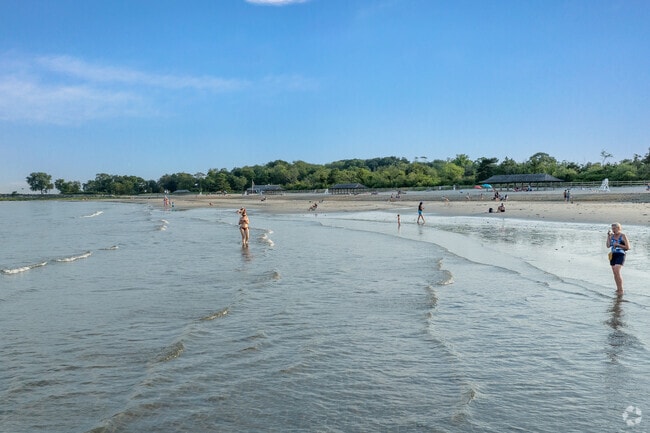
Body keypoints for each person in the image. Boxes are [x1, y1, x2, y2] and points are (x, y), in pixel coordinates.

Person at [606, 222, 630, 294]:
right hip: (613, 254)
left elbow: (628, 247)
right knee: (614, 272)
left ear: (619, 228)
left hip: (620, 254)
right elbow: (608, 246)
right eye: (612, 228)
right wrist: (608, 237)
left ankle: (621, 290)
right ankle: (618, 288)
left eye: (614, 228)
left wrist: (618, 245)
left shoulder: (623, 236)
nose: (613, 230)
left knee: (617, 270)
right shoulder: (612, 236)